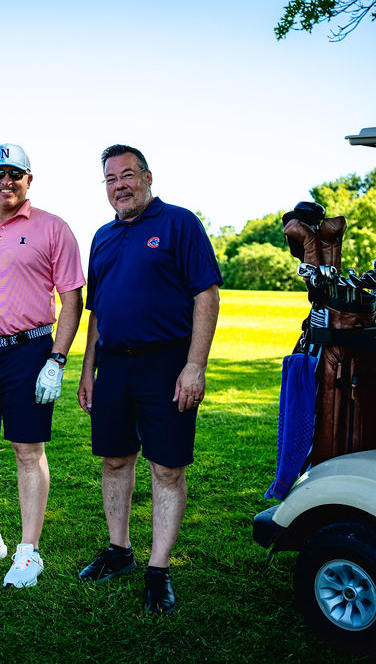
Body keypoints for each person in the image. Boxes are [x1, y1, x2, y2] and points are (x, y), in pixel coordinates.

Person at [76, 144, 221, 615]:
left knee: (167, 467)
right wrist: (88, 370)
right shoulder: (102, 237)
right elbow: (96, 311)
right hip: (113, 366)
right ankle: (119, 551)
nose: (119, 185)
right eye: (110, 179)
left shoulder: (179, 223)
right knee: (115, 460)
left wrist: (195, 365)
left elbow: (206, 294)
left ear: (147, 176)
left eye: (127, 175)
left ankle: (159, 569)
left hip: (167, 363)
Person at [0, 143, 84, 588]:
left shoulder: (53, 227)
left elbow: (71, 298)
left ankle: (29, 549)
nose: (6, 181)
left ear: (29, 179)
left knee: (28, 450)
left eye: (15, 174)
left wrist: (56, 359)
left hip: (29, 350)